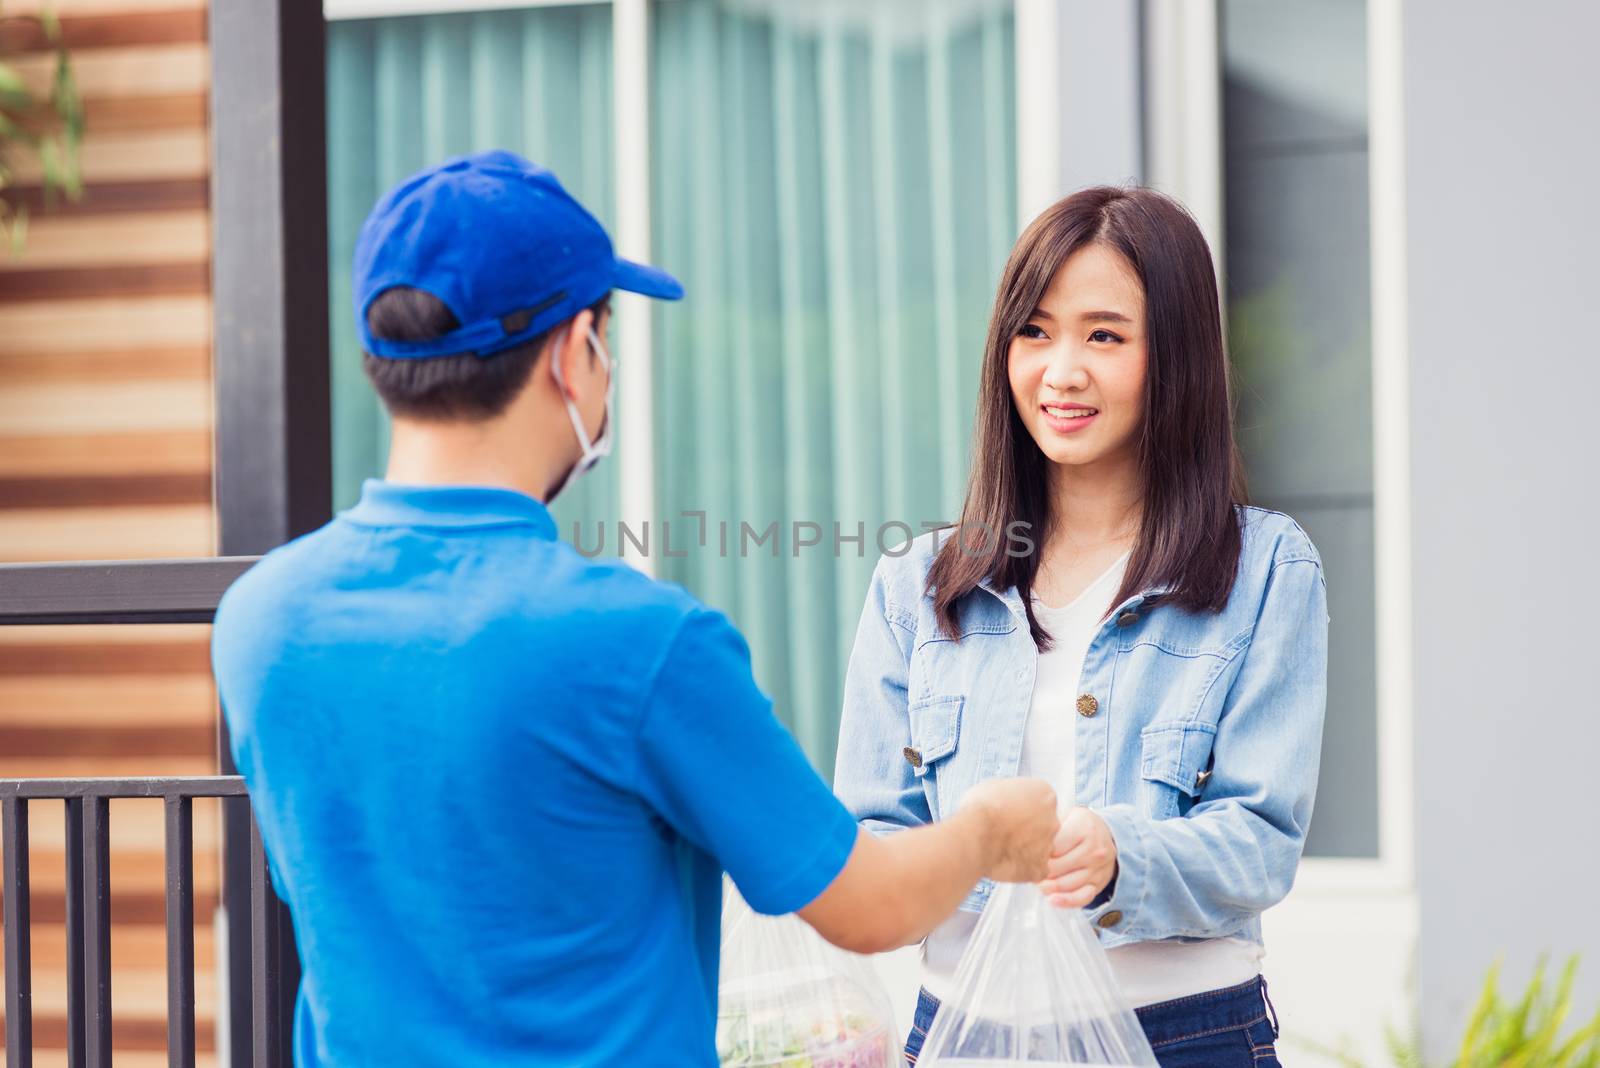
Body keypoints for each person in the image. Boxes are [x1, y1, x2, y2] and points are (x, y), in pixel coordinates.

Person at [210, 151, 1061, 1067]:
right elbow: (867, 905)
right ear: (575, 355)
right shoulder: (640, 643)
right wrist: (986, 831)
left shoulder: (260, 620)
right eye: (606, 340)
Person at [833, 186, 1329, 1067]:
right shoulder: (915, 584)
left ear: (1173, 355)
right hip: (958, 1035)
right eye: (1036, 330)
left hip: (1185, 1034)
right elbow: (873, 840)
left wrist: (1117, 857)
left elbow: (1261, 842)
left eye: (1104, 335)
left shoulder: (1265, 569)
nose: (1062, 370)